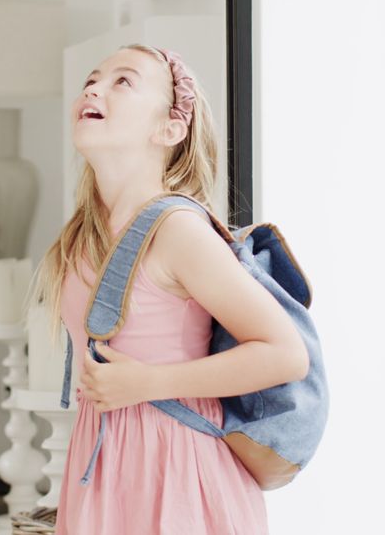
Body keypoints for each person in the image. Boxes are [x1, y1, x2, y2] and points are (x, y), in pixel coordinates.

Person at [24, 43, 310, 534]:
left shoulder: (177, 231)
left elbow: (285, 354)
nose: (94, 87)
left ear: (169, 129)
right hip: (107, 468)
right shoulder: (82, 237)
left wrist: (150, 383)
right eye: (93, 79)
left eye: (123, 81)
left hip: (178, 475)